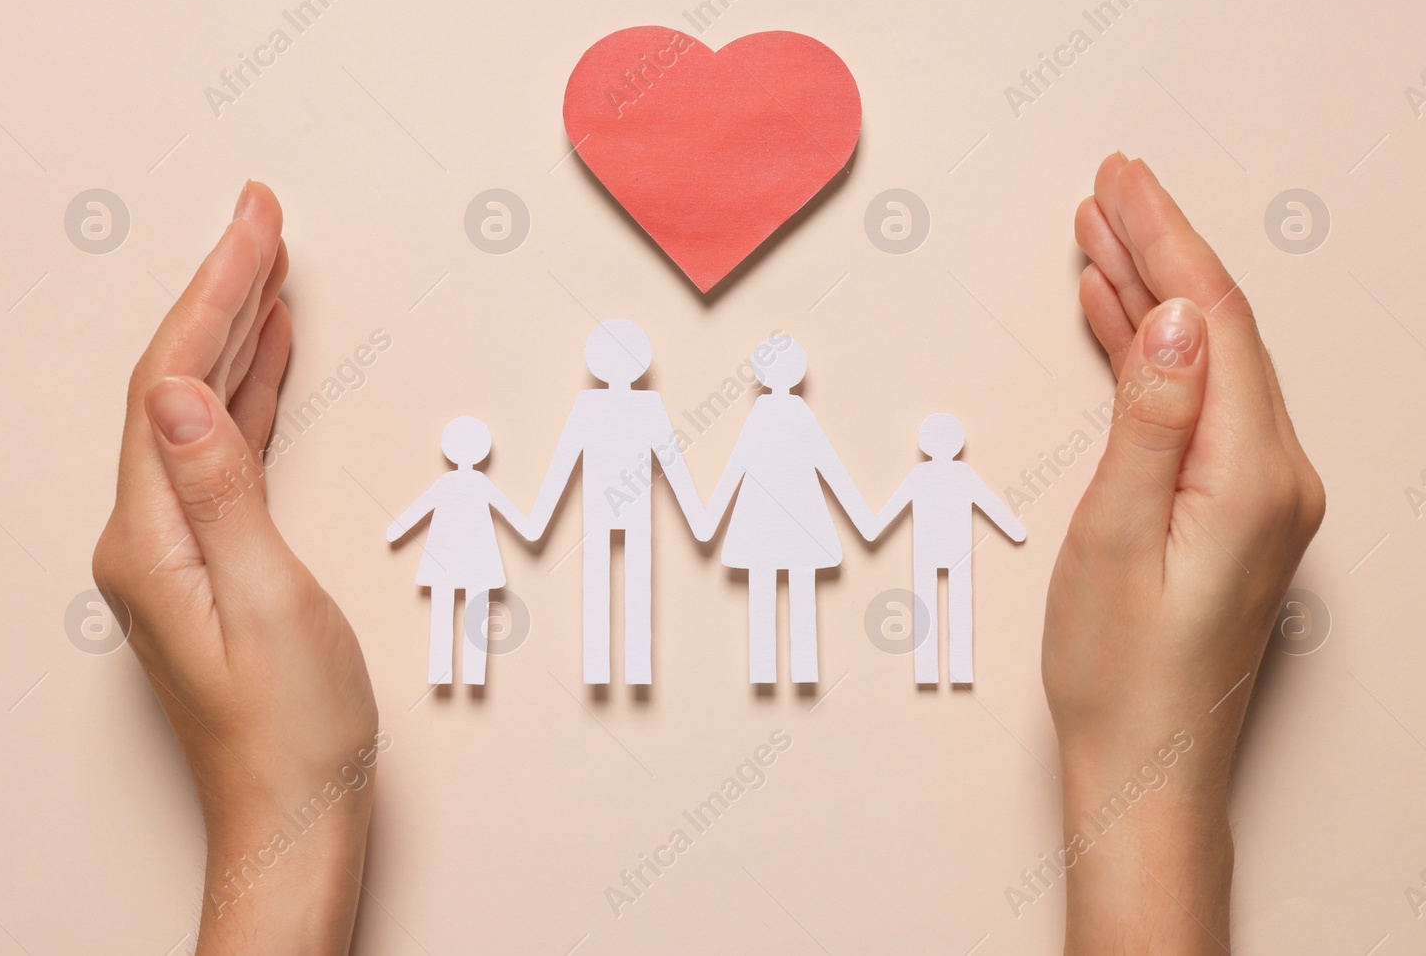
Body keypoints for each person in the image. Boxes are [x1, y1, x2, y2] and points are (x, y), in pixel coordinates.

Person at [91, 155, 1323, 953]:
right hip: (666, 533)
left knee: (667, 602)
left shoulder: (673, 411)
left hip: (729, 529)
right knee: (628, 603)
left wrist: (282, 821)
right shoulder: (613, 410)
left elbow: (709, 468)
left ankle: (679, 641)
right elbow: (616, 471)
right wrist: (1149, 780)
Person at [528, 319, 707, 685]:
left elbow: (668, 458)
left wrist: (538, 519)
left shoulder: (604, 404)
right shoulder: (635, 404)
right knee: (628, 583)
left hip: (615, 508)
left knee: (607, 583)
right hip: (621, 509)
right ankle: (623, 668)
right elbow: (671, 463)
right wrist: (698, 518)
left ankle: (615, 668)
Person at [696, 335, 876, 683]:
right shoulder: (792, 413)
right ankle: (796, 669)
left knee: (765, 588)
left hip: (763, 521)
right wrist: (865, 519)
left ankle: (771, 671)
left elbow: (737, 466)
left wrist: (709, 518)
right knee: (799, 587)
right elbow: (829, 467)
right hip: (796, 520)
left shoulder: (766, 414)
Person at [870, 411, 1025, 684]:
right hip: (955, 551)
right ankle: (956, 670)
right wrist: (1014, 530)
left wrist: (873, 527)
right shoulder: (959, 473)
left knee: (930, 610)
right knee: (959, 609)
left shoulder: (923, 474)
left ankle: (930, 671)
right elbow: (991, 504)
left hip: (933, 552)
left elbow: (892, 508)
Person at [386, 416, 540, 685]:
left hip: (446, 558)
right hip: (476, 560)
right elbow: (510, 512)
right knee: (474, 616)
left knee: (444, 615)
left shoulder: (450, 482)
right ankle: (470, 674)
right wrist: (529, 529)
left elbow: (420, 507)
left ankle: (443, 672)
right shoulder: (479, 482)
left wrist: (397, 529)